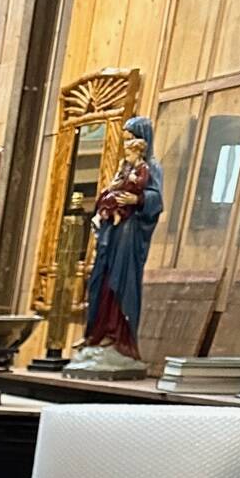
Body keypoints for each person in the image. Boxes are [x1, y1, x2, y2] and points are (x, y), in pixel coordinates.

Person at [77, 116, 162, 364]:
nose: (126, 145)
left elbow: (157, 201)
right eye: (125, 140)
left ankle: (118, 336)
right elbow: (110, 190)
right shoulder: (125, 166)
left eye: (130, 139)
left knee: (120, 280)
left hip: (130, 232)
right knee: (101, 279)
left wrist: (137, 201)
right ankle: (97, 332)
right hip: (113, 233)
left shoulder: (152, 167)